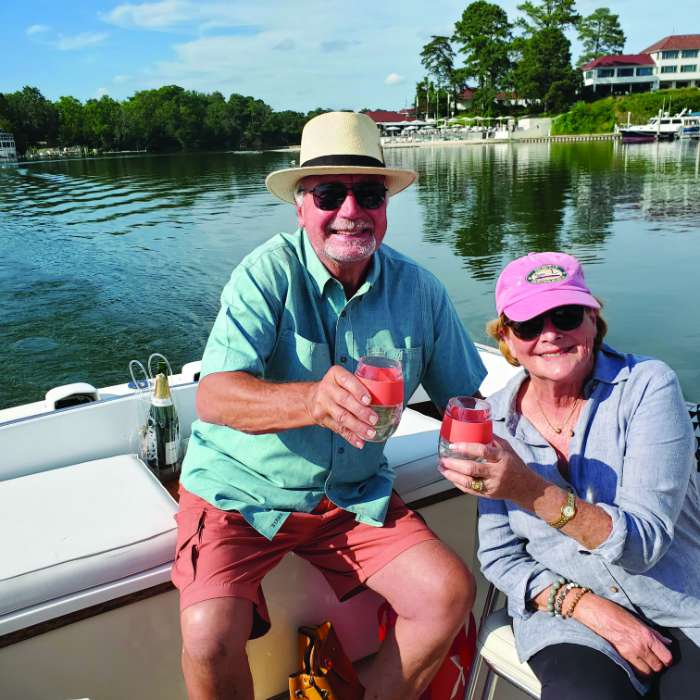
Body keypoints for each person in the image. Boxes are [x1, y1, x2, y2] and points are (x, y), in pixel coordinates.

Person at [172, 111, 487, 700]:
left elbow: (465, 400)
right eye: (328, 193)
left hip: (351, 496)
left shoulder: (420, 290)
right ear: (300, 205)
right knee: (209, 633)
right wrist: (313, 399)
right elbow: (214, 396)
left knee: (446, 595)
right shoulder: (264, 274)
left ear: (385, 206)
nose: (350, 210)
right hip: (242, 493)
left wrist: (555, 415)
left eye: (368, 193)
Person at [439, 251, 700, 699]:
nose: (550, 335)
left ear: (593, 321)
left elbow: (643, 547)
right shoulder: (495, 424)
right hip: (570, 618)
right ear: (507, 338)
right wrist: (586, 608)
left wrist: (527, 488)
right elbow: (501, 558)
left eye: (566, 315)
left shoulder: (647, 387)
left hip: (680, 605)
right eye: (528, 325)